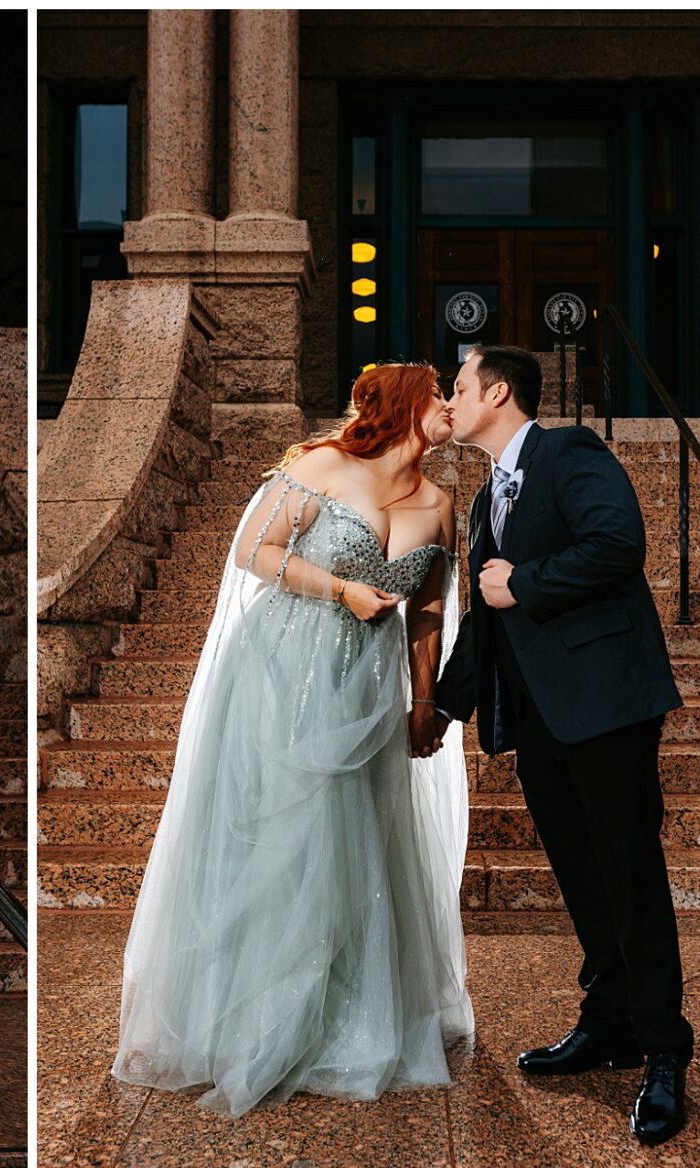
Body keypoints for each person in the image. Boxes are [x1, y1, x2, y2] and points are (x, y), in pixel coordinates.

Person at [111, 363, 476, 1116]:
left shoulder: (441, 505)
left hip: (369, 686)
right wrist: (340, 587)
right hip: (281, 670)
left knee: (356, 840)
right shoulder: (324, 466)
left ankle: (345, 1018)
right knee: (284, 831)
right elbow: (256, 551)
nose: (449, 406)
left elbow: (431, 612)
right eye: (439, 393)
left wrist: (425, 701)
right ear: (409, 404)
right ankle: (250, 1016)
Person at [431, 344, 691, 1145]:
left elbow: (619, 545)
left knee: (629, 873)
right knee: (582, 875)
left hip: (608, 704)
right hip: (540, 717)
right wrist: (439, 710)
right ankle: (608, 1022)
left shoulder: (569, 450)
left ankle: (663, 1051)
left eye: (461, 387)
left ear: (499, 392)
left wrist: (526, 582)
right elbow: (487, 617)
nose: (451, 398)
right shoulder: (483, 503)